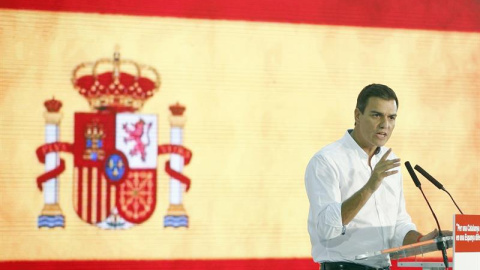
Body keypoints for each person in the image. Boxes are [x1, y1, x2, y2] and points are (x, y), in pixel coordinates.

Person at [304, 84, 441, 270]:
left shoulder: (389, 160)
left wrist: (422, 240)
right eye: (377, 115)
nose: (385, 124)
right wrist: (370, 186)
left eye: (391, 117)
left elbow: (397, 226)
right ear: (357, 116)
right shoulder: (327, 161)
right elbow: (327, 228)